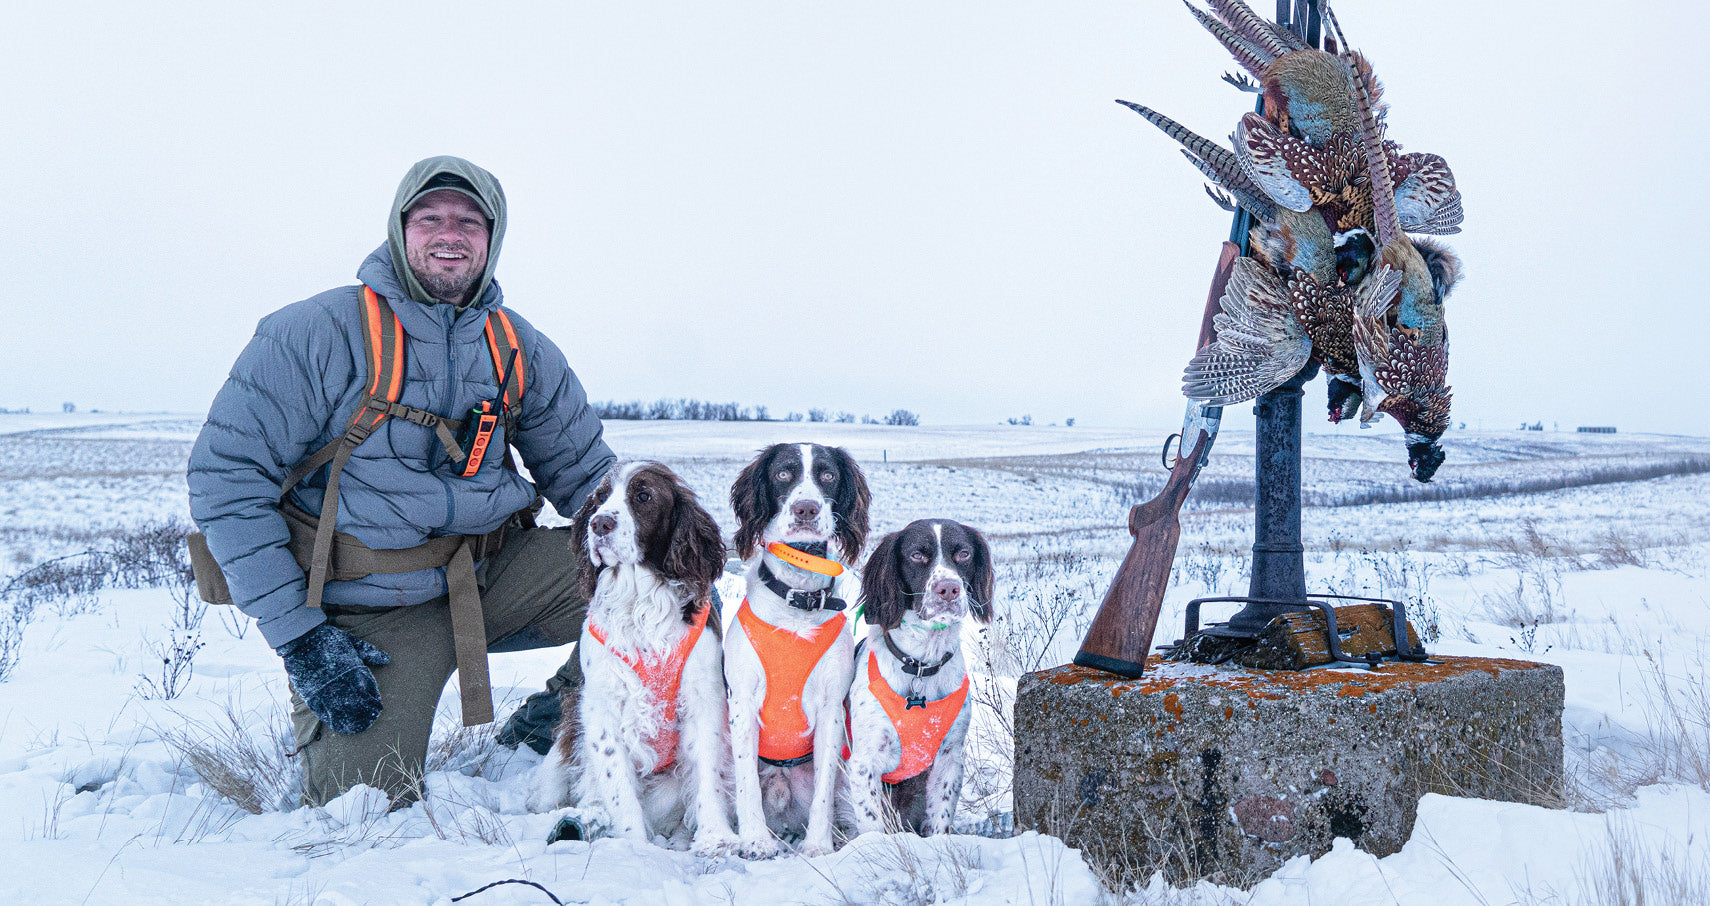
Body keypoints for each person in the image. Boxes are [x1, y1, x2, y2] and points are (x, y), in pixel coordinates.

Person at [188, 156, 610, 807]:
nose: (451, 234)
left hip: (491, 577)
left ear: (492, 239)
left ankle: (557, 719)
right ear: (399, 228)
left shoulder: (516, 346)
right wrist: (302, 640)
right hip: (366, 606)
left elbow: (590, 479)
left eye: (470, 221)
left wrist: (670, 547)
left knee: (667, 589)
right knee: (367, 808)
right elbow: (226, 480)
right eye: (431, 218)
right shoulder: (314, 334)